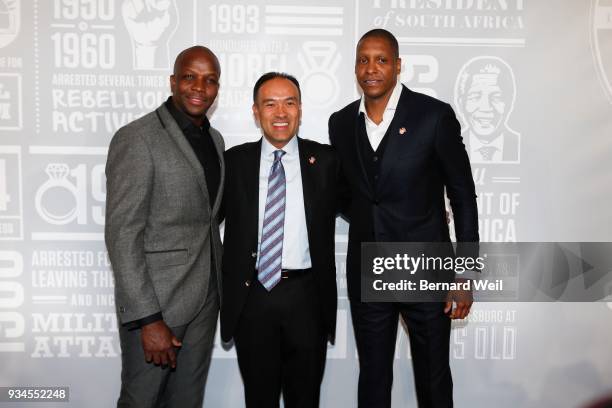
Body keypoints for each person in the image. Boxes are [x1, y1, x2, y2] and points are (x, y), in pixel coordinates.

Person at [328, 29, 479, 408]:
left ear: (398, 65)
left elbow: (462, 195)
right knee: (374, 378)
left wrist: (465, 272)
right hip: (369, 270)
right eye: (363, 60)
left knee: (433, 378)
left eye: (381, 59)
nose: (371, 68)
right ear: (355, 68)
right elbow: (349, 195)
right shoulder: (341, 123)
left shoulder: (434, 116)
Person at [105, 45, 224, 408]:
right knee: (141, 400)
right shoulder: (137, 138)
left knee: (187, 401)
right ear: (173, 81)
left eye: (210, 80)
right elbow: (122, 233)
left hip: (205, 299)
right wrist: (148, 319)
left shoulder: (215, 140)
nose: (199, 87)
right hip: (159, 305)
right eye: (190, 77)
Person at [221, 72, 340, 408]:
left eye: (289, 103)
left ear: (300, 109)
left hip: (307, 298)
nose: (281, 112)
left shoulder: (326, 162)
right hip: (252, 297)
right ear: (256, 112)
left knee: (305, 400)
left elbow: (367, 207)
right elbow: (202, 219)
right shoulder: (233, 162)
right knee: (259, 399)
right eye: (270, 104)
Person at [455, 56, 520, 164]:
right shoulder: (449, 147)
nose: (486, 108)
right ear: (461, 103)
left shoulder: (525, 149)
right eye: (475, 96)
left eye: (496, 97)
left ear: (509, 101)